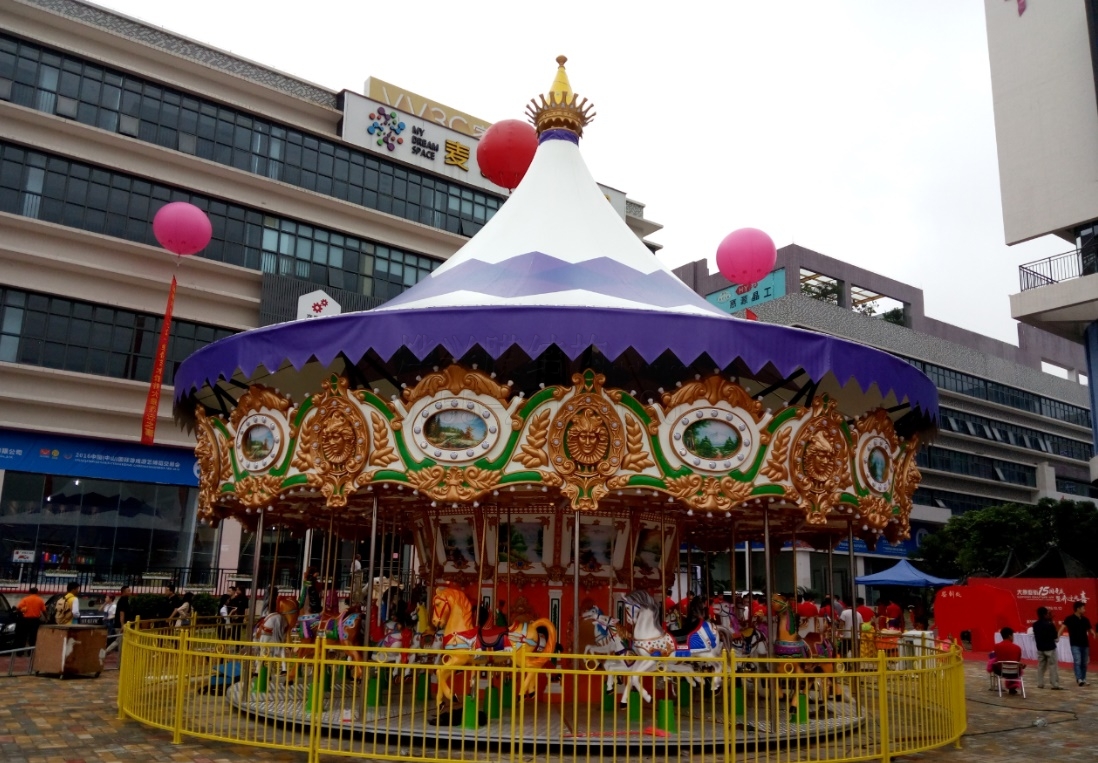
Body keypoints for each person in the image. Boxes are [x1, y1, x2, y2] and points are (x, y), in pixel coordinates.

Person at [1059, 600, 1095, 686]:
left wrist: (1093, 633)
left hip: (1085, 644)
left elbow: (1090, 629)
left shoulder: (1085, 619)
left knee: (1084, 663)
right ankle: (1079, 679)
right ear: (1078, 609)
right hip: (1075, 644)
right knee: (1077, 661)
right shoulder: (1069, 619)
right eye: (1083, 608)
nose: (1084, 610)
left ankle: (1083, 678)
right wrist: (1058, 636)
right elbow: (1062, 628)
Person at [1032, 606, 1062, 690]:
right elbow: (1055, 636)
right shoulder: (1049, 624)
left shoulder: (1035, 625)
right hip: (1050, 648)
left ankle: (1040, 683)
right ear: (1045, 614)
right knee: (1053, 666)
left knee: (1041, 666)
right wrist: (1051, 622)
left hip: (1040, 648)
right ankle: (1054, 684)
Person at [990, 627, 1024, 694]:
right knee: (1015, 666)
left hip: (1001, 671)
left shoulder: (997, 646)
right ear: (1009, 636)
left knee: (994, 664)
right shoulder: (1017, 648)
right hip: (1015, 672)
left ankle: (995, 686)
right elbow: (1017, 660)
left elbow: (995, 658)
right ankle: (1012, 688)